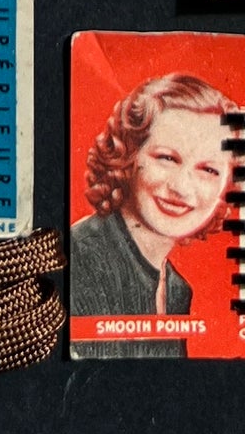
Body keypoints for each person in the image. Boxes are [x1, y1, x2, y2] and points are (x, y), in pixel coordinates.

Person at [68, 72, 232, 359]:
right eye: (167, 158)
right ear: (128, 156)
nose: (181, 187)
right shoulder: (81, 258)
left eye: (208, 170)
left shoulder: (177, 290)